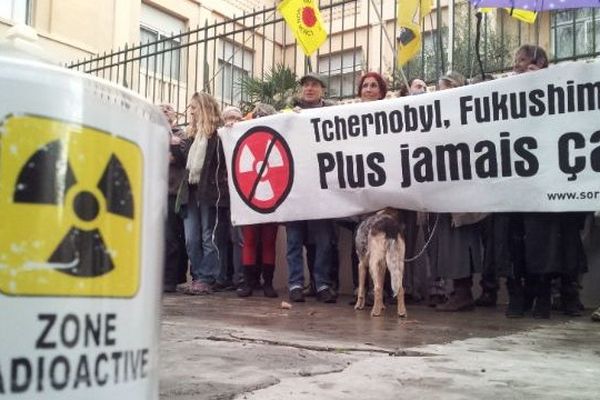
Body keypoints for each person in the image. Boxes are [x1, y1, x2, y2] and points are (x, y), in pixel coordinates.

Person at [499, 45, 587, 319]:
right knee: (516, 241)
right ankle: (519, 295)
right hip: (519, 181)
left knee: (552, 241)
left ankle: (550, 295)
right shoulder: (507, 88)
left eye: (523, 60)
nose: (517, 65)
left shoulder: (558, 85)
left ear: (539, 62)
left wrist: (542, 82)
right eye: (516, 61)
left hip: (552, 181)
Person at [429, 72, 485, 312]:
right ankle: (456, 291)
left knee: (460, 246)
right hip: (441, 195)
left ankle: (463, 293)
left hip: (460, 197)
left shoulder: (467, 117)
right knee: (448, 247)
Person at [286, 73, 337, 303]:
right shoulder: (287, 113)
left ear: (322, 90)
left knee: (324, 238)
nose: (309, 88)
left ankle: (322, 283)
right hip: (294, 186)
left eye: (314, 84)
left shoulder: (333, 112)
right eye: (305, 85)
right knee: (294, 238)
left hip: (322, 187)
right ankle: (295, 283)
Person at [177, 92, 229, 295]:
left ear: (205, 108)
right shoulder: (189, 135)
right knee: (191, 237)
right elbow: (184, 163)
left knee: (210, 236)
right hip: (189, 191)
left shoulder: (221, 135)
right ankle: (198, 276)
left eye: (194, 107)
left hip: (211, 192)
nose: (190, 111)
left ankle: (207, 278)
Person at [234, 103, 280, 298]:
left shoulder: (277, 135)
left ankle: (268, 283)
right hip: (249, 195)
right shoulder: (243, 132)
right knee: (250, 239)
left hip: (273, 193)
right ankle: (248, 283)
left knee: (269, 240)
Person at [161, 104, 190, 292]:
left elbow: (183, 159)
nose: (164, 109)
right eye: (160, 108)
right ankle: (167, 278)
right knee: (165, 238)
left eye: (168, 108)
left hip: (176, 193)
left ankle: (174, 278)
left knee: (177, 237)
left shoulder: (183, 135)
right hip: (157, 192)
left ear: (175, 115)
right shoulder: (151, 132)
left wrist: (172, 147)